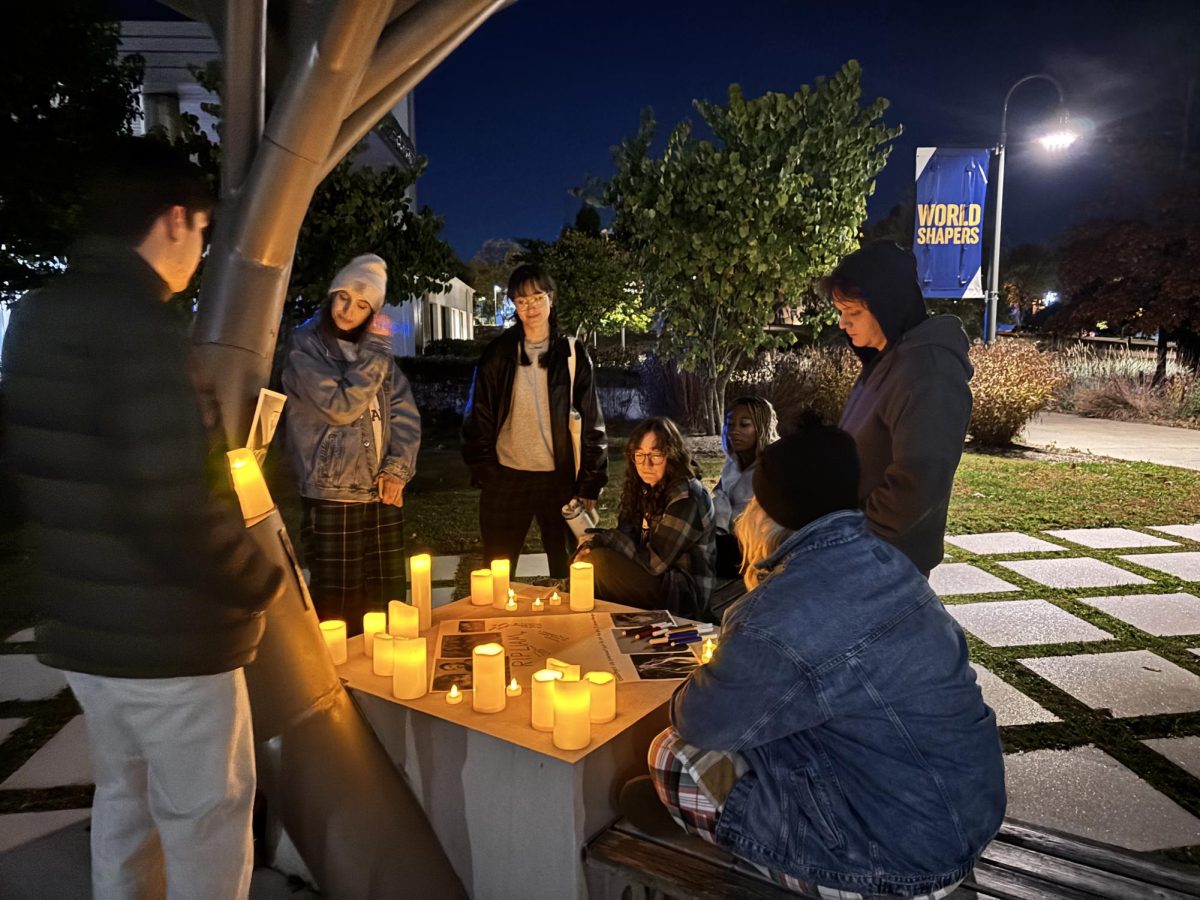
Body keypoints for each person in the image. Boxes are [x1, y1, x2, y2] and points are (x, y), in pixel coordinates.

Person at [2, 137, 284, 899]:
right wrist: (256, 580)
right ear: (173, 221)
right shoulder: (145, 326)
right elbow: (175, 501)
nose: (200, 252)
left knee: (125, 804)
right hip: (174, 639)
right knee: (205, 816)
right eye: (202, 233)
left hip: (86, 631)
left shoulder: (34, 316)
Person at [635, 424, 1005, 898]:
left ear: (767, 513)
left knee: (670, 756)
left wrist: (718, 664)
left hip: (896, 865)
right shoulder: (893, 566)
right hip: (970, 816)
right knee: (769, 726)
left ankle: (744, 848)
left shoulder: (777, 613)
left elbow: (698, 720)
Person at [282, 254, 420, 636]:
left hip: (380, 491)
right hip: (333, 491)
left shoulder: (375, 352)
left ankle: (385, 679)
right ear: (333, 294)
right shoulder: (306, 346)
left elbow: (405, 414)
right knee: (338, 607)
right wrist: (376, 347)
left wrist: (397, 468)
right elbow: (340, 406)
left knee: (387, 603)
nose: (349, 310)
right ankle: (339, 687)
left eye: (363, 305)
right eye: (344, 298)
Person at [825, 241, 973, 577]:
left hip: (884, 562)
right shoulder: (884, 362)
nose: (842, 323)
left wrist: (855, 534)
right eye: (840, 311)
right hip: (857, 550)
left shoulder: (929, 371)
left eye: (853, 312)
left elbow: (918, 483)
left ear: (887, 305)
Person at [461, 263, 607, 578]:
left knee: (570, 569)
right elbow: (478, 415)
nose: (531, 307)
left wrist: (590, 482)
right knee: (498, 569)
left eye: (537, 297)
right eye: (522, 300)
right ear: (514, 304)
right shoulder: (499, 353)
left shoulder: (572, 353)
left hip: (559, 478)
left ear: (550, 299)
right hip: (507, 476)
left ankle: (570, 626)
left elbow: (593, 422)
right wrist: (486, 472)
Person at [582, 417, 715, 619]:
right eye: (640, 455)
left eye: (656, 455)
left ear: (672, 456)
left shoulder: (686, 497)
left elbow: (654, 563)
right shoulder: (643, 488)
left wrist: (605, 540)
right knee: (587, 558)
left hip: (682, 593)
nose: (646, 464)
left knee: (600, 563)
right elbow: (626, 535)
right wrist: (594, 544)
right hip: (654, 576)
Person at [711, 396, 778, 577]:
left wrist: (721, 510)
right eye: (730, 424)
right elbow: (718, 493)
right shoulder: (733, 462)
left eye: (744, 424)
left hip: (752, 550)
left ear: (761, 427)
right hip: (722, 536)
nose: (734, 431)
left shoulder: (772, 467)